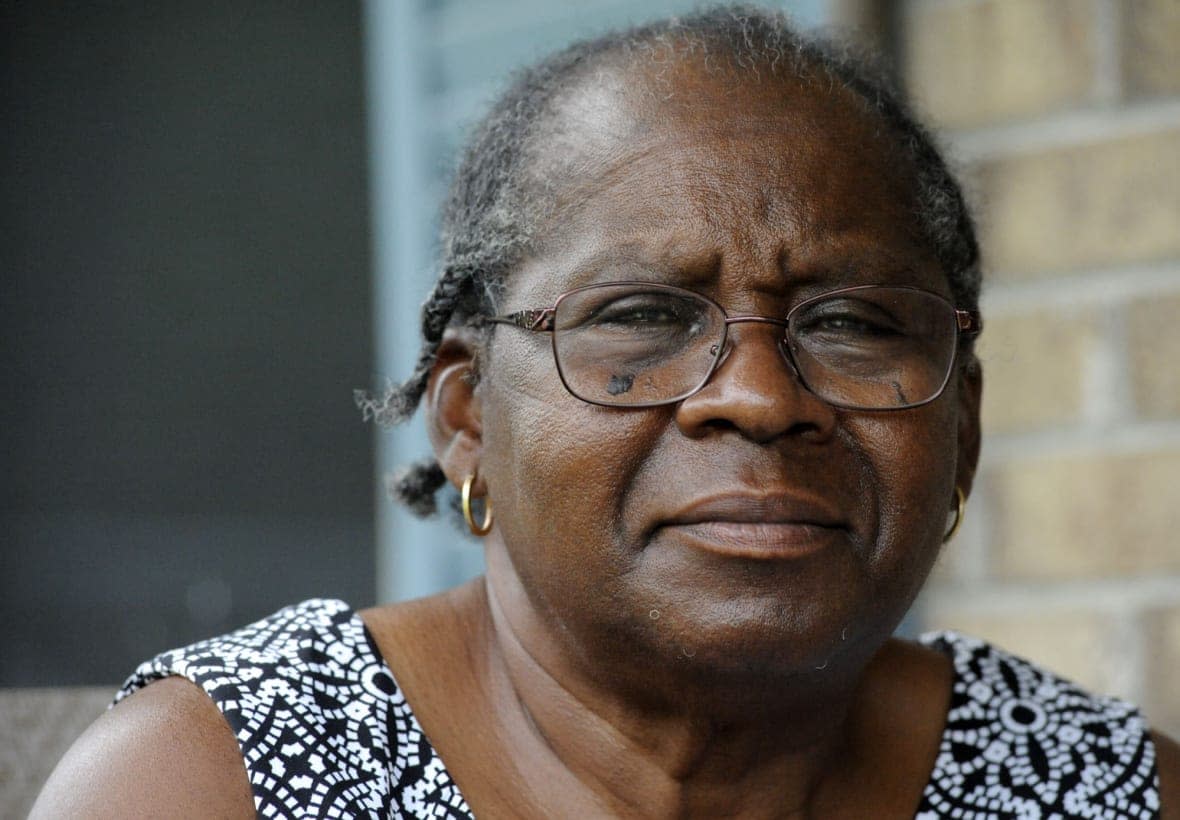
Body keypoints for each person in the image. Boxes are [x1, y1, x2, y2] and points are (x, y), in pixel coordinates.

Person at [33, 6, 1180, 818]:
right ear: (468, 415)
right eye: (640, 315)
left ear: (962, 430)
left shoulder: (1101, 790)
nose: (759, 397)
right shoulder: (220, 782)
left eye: (853, 324)